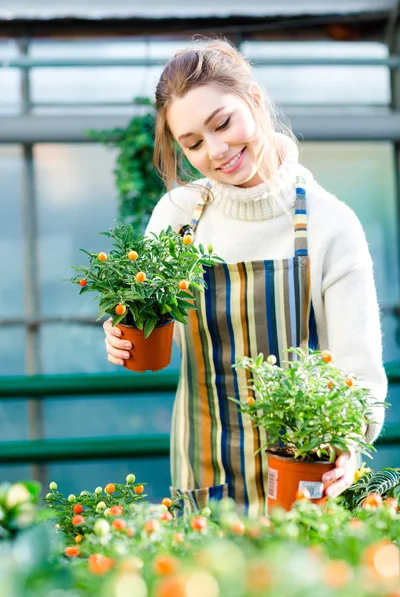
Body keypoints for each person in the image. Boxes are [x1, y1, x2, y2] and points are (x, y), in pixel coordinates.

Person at [103, 39, 387, 516]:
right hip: (203, 465)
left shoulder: (329, 223)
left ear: (254, 100)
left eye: (223, 123)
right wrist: (118, 331)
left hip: (305, 466)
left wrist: (350, 441)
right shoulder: (178, 215)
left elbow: (358, 371)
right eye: (192, 143)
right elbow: (138, 312)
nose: (216, 150)